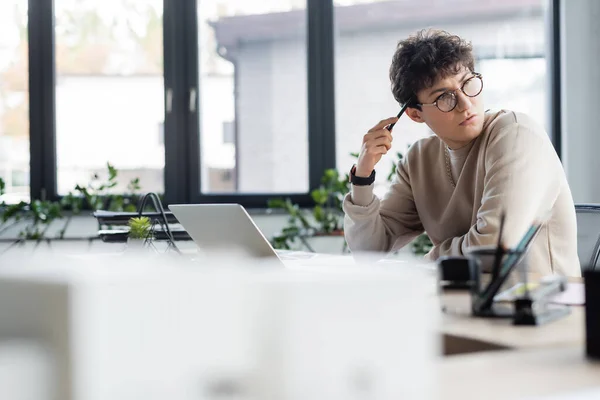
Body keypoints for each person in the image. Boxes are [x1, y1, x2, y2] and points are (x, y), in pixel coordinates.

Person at [342, 29, 580, 277]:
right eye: (445, 97)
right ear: (415, 114)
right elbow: (367, 249)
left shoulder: (516, 134)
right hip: (460, 306)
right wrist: (363, 176)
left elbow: (494, 249)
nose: (466, 104)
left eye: (468, 84)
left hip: (541, 309)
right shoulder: (419, 161)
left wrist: (429, 260)